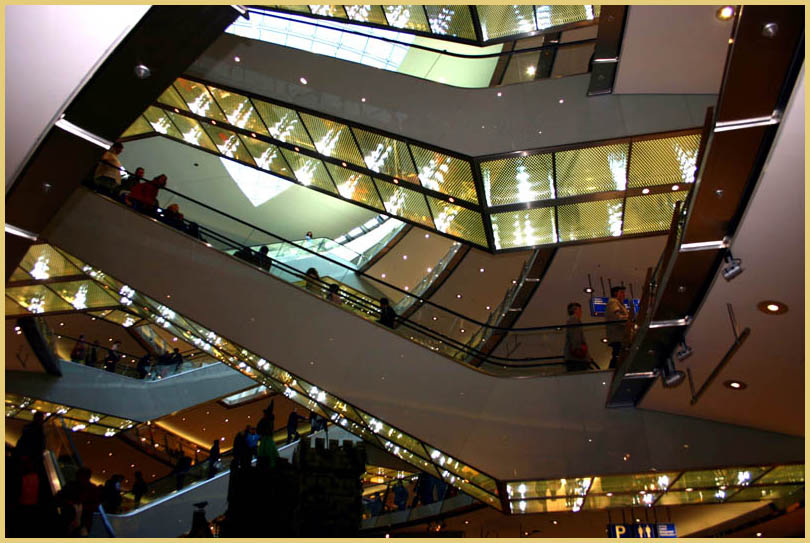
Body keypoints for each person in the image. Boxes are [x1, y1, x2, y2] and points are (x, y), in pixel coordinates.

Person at [605, 286, 630, 369]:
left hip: (619, 337)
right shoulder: (613, 303)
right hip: (618, 337)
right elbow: (617, 317)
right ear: (616, 293)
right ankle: (612, 371)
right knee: (617, 356)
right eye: (622, 292)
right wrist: (629, 319)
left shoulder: (618, 304)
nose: (624, 295)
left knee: (618, 355)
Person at [564, 302, 592, 372]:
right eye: (580, 310)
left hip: (574, 358)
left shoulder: (571, 320)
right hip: (577, 359)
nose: (581, 312)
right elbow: (575, 337)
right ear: (575, 310)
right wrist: (579, 350)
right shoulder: (574, 320)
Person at [256, 401, 278, 469]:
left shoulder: (264, 420)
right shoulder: (271, 421)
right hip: (269, 439)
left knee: (263, 453)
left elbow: (258, 429)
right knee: (270, 453)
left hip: (264, 439)